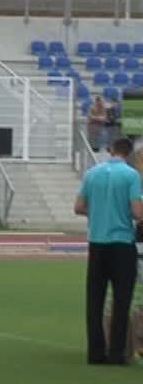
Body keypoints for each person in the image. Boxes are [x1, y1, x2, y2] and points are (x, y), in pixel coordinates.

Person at [74, 137, 143, 365]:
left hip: (97, 242)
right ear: (129, 153)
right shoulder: (131, 176)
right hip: (122, 242)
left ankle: (95, 352)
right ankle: (116, 353)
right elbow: (137, 212)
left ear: (111, 150)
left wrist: (100, 212)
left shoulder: (92, 173)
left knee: (95, 299)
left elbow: (79, 207)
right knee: (121, 301)